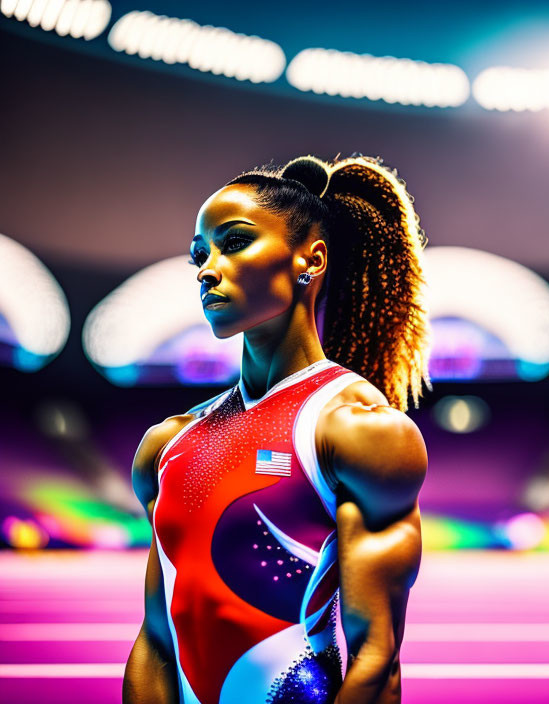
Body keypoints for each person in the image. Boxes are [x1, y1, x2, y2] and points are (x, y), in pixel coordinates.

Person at [123, 154, 432, 704]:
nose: (206, 269)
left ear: (309, 260)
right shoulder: (167, 445)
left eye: (234, 242)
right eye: (199, 253)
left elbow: (377, 661)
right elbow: (156, 641)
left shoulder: (358, 432)